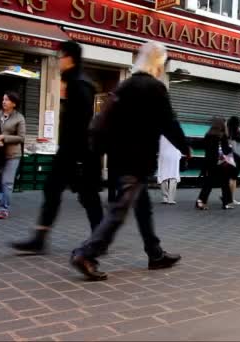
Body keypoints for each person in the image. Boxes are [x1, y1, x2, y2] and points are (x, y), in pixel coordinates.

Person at [70, 41, 190, 281]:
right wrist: (185, 147)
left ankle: (155, 254)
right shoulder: (154, 88)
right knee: (120, 210)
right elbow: (168, 122)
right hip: (136, 158)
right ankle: (86, 253)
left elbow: (106, 121)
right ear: (158, 62)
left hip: (118, 157)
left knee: (142, 206)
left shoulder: (124, 86)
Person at [12, 41, 104, 254]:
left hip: (78, 152)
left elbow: (81, 123)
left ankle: (99, 238)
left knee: (87, 195)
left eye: (60, 57)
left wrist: (78, 156)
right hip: (73, 151)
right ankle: (40, 238)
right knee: (56, 190)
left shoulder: (79, 84)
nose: (58, 61)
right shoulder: (75, 81)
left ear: (69, 58)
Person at [0, 91, 26, 219]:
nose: (4, 101)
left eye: (7, 100)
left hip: (12, 155)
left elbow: (21, 137)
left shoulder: (19, 118)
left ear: (14, 104)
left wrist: (4, 138)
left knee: (6, 183)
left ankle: (3, 209)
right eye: (3, 99)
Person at [196, 118, 234, 210]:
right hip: (221, 163)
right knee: (225, 183)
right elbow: (226, 150)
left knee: (208, 183)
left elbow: (203, 146)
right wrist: (231, 147)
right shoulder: (223, 136)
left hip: (209, 162)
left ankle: (201, 200)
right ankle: (226, 203)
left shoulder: (208, 135)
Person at [157, 136, 182, 205]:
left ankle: (165, 198)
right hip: (174, 153)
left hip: (163, 154)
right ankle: (171, 199)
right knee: (173, 175)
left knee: (163, 174)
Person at [227, 116, 240, 206]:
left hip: (230, 157)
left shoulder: (228, 131)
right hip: (237, 157)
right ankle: (231, 199)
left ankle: (229, 198)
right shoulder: (236, 133)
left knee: (231, 178)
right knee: (233, 179)